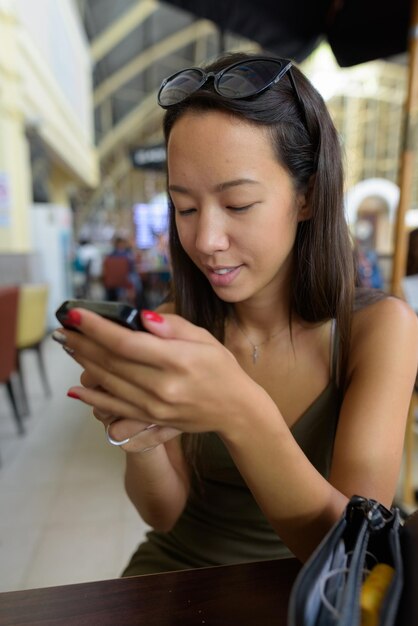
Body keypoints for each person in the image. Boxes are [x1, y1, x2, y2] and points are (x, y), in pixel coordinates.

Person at [53, 52, 418, 575]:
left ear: (308, 196)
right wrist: (137, 434)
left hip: (311, 591)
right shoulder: (175, 320)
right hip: (177, 575)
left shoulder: (380, 328)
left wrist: (239, 409)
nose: (206, 241)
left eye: (239, 204)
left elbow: (354, 552)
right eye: (185, 208)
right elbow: (163, 515)